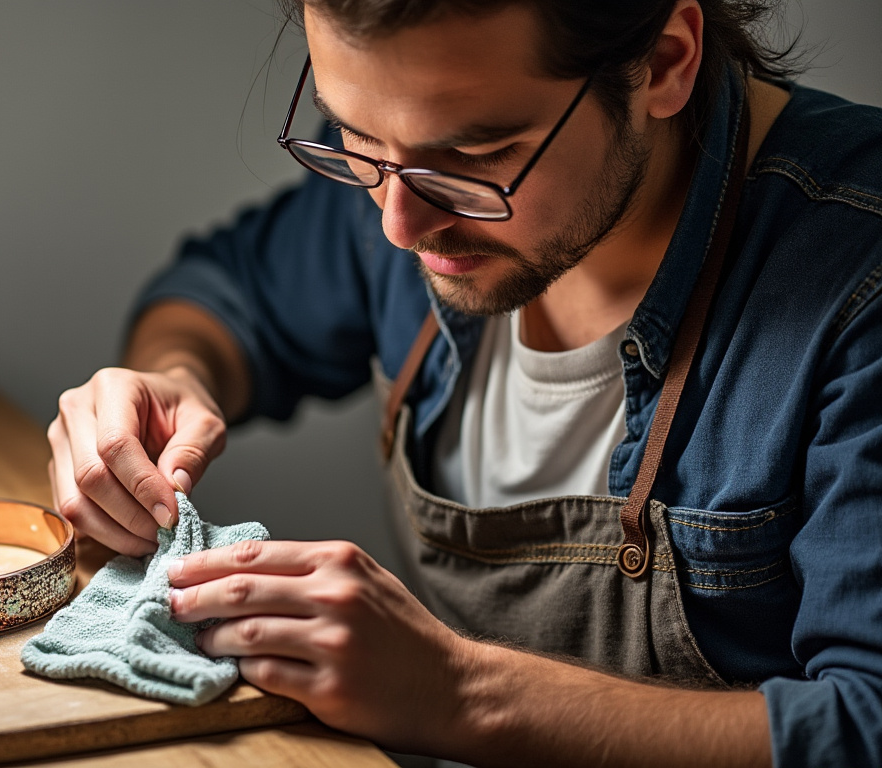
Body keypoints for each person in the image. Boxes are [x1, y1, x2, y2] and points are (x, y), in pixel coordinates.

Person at [47, 1, 882, 765]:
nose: (398, 226)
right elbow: (219, 295)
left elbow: (864, 728)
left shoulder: (856, 280)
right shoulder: (406, 166)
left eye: (476, 157)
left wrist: (459, 692)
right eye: (355, 137)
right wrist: (170, 379)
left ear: (664, 62)